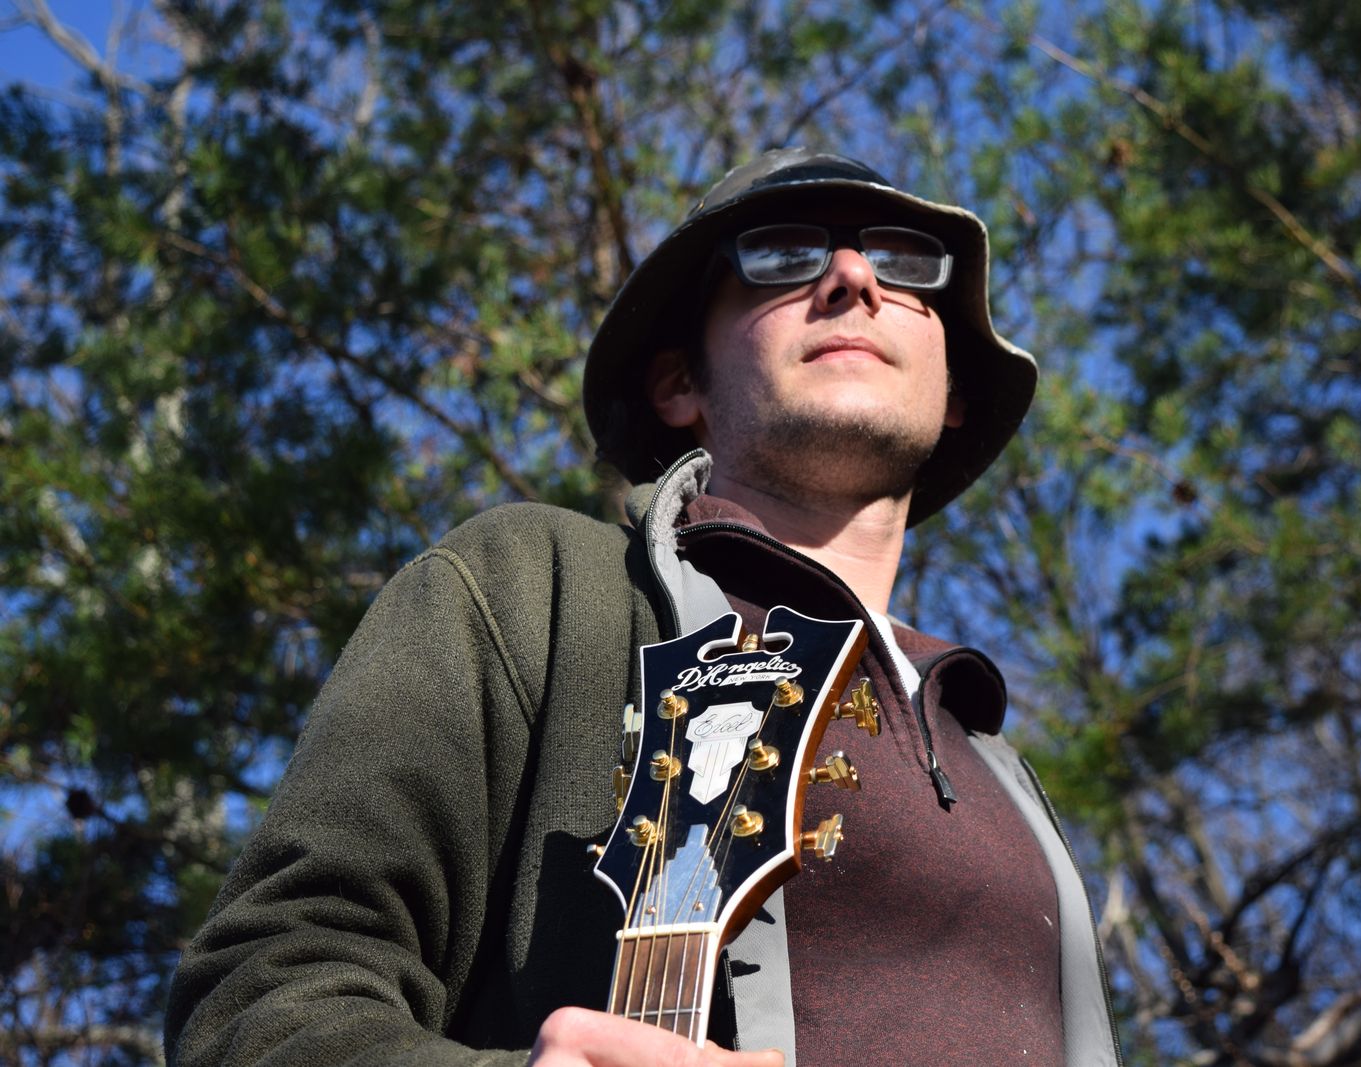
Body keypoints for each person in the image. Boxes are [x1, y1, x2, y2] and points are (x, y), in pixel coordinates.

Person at [164, 149, 1123, 1066]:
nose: (852, 278)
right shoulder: (538, 589)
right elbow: (260, 991)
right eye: (782, 254)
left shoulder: (999, 764)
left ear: (953, 391)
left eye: (905, 263)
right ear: (677, 385)